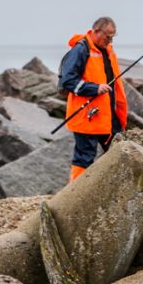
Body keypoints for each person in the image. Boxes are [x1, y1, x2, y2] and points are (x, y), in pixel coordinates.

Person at [59, 17, 128, 180]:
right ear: (96, 31)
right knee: (84, 158)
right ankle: (75, 197)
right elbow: (67, 81)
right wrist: (94, 88)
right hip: (86, 116)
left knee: (120, 150)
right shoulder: (80, 49)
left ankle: (115, 192)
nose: (110, 40)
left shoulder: (108, 51)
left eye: (113, 37)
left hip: (108, 115)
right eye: (108, 36)